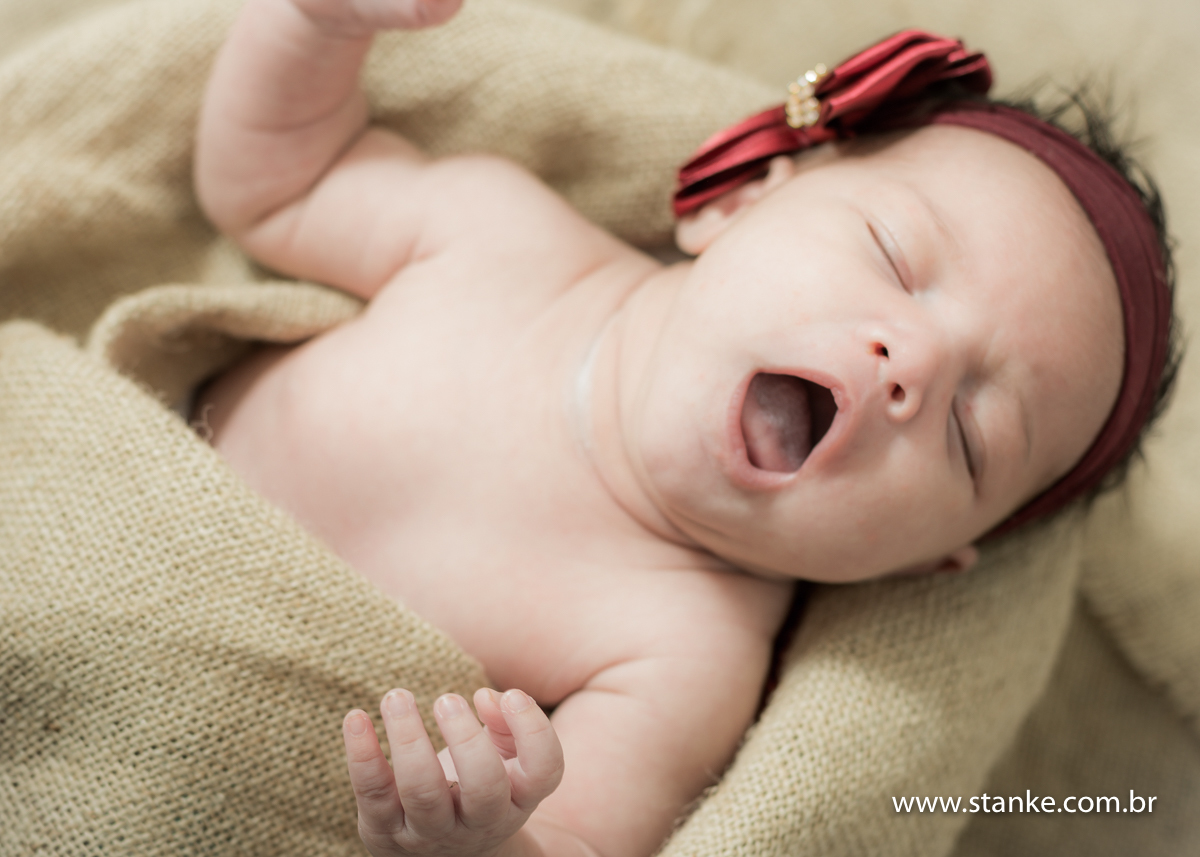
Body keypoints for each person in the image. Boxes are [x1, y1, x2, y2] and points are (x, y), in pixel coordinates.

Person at [192, 1, 1176, 855]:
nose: (910, 362)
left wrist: (486, 833)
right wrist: (310, 23)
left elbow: (581, 833)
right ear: (741, 198)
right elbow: (280, 183)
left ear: (924, 564)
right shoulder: (499, 237)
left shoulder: (685, 652)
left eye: (971, 433)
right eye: (891, 254)